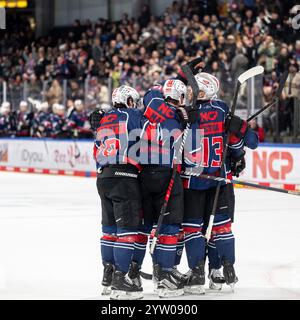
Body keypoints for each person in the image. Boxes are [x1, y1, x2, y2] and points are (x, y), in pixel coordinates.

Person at [181, 72, 259, 293]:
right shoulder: (222, 110)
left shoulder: (185, 113)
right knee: (221, 228)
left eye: (193, 88)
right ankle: (223, 270)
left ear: (203, 90)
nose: (189, 91)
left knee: (194, 230)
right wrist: (239, 145)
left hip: (193, 182)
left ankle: (197, 274)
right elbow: (249, 143)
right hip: (220, 181)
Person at [134, 78, 189, 298]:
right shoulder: (175, 115)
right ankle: (164, 275)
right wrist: (185, 120)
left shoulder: (148, 108)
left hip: (144, 174)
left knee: (144, 226)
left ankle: (132, 273)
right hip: (166, 173)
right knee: (168, 226)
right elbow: (176, 136)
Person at [93, 85, 144, 300]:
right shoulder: (132, 114)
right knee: (127, 231)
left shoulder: (104, 119)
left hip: (103, 177)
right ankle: (121, 281)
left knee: (109, 229)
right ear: (130, 101)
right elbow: (150, 128)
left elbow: (96, 149)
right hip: (125, 176)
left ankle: (109, 276)